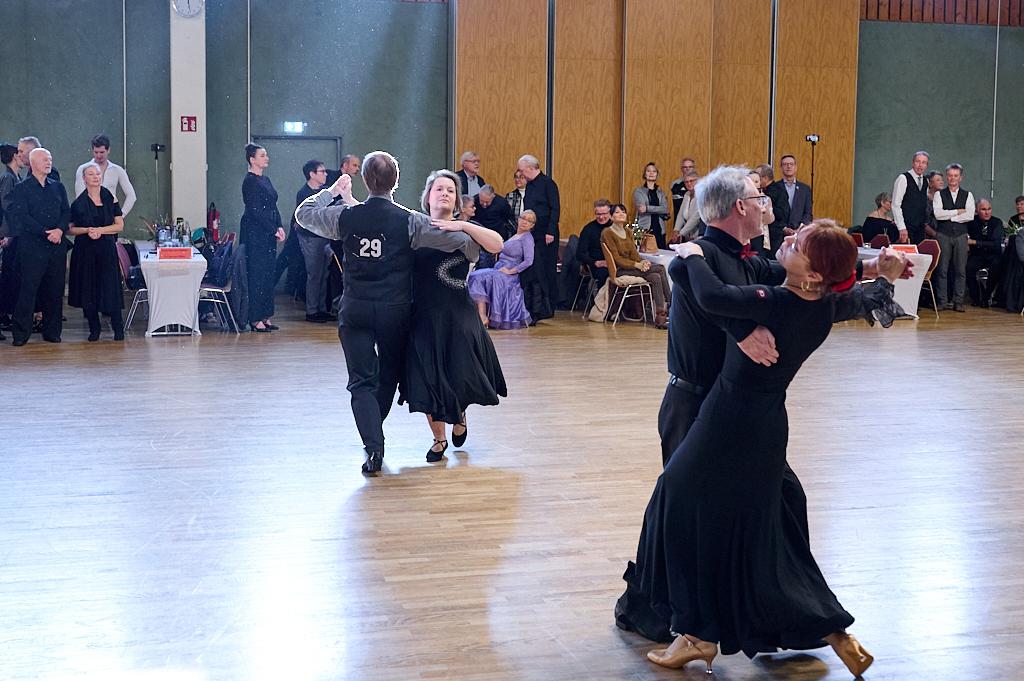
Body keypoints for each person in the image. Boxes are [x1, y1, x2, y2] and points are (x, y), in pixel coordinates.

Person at [621, 219, 905, 678]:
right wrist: (882, 271)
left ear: (812, 275)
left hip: (727, 422)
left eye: (798, 244)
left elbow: (712, 297)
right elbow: (858, 295)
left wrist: (691, 255)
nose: (787, 240)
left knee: (674, 503)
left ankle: (697, 636)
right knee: (763, 528)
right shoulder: (819, 305)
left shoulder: (775, 303)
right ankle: (833, 630)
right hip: (768, 425)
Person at [295, 151, 500, 475]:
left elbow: (304, 214)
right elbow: (457, 241)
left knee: (361, 382)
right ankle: (385, 438)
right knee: (387, 375)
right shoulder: (410, 220)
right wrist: (463, 229)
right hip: (394, 312)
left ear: (365, 180)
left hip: (356, 310)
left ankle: (374, 448)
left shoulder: (346, 217)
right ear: (397, 182)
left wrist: (332, 192)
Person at [398, 169, 506, 462]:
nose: (444, 193)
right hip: (422, 315)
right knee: (428, 377)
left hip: (458, 316)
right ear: (428, 196)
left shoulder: (466, 233)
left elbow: (497, 244)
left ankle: (459, 416)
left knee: (457, 375)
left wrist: (462, 224)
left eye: (450, 190)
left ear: (457, 199)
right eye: (439, 189)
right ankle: (439, 439)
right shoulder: (415, 226)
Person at [7, 147, 69, 345]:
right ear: (33, 164)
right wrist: (45, 232)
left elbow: (65, 212)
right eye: (44, 160)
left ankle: (52, 332)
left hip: (56, 246)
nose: (48, 163)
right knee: (28, 290)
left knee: (54, 290)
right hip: (32, 247)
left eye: (50, 159)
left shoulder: (57, 187)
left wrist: (59, 230)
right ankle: (20, 334)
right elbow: (22, 217)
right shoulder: (22, 188)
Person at [67, 164, 125, 341]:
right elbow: (70, 229)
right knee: (88, 288)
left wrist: (100, 230)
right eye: (91, 174)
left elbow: (119, 226)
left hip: (106, 247)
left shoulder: (110, 197)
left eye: (98, 174)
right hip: (86, 250)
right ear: (84, 179)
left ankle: (118, 328)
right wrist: (87, 230)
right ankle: (94, 329)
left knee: (110, 287)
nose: (95, 177)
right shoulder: (78, 203)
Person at [600, 203, 671, 329]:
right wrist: (637, 265)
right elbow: (616, 259)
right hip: (620, 270)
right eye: (617, 212)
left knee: (655, 276)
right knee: (660, 268)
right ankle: (671, 305)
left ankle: (660, 316)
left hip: (633, 267)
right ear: (611, 217)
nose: (621, 214)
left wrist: (642, 262)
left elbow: (634, 253)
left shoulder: (627, 231)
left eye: (623, 212)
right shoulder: (607, 233)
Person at [241, 143, 286, 332]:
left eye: (266, 155)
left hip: (267, 232)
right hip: (256, 234)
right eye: (262, 155)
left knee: (268, 272)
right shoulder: (250, 181)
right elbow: (255, 210)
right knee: (257, 274)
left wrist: (280, 226)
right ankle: (254, 317)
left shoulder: (265, 180)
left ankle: (265, 315)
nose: (266, 158)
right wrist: (271, 229)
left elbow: (273, 205)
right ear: (252, 159)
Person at [467, 211, 536, 330]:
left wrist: (512, 271)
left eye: (529, 220)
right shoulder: (515, 235)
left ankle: (483, 316)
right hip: (499, 269)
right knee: (474, 275)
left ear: (532, 225)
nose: (525, 221)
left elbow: (529, 261)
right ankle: (481, 315)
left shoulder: (527, 238)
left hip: (509, 275)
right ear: (518, 219)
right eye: (523, 218)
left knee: (478, 277)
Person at [518, 154, 560, 320]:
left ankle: (549, 307)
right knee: (536, 270)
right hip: (532, 233)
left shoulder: (548, 184)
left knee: (547, 270)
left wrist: (550, 231)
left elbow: (555, 208)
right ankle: (537, 305)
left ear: (530, 167)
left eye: (522, 170)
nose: (521, 174)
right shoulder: (530, 185)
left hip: (546, 234)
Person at [932, 162, 975, 312]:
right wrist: (957, 212)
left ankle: (958, 301)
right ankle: (942, 301)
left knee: (960, 270)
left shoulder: (968, 195)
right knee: (942, 269)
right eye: (950, 175)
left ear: (960, 178)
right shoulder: (939, 194)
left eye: (955, 176)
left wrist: (949, 215)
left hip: (961, 235)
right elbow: (938, 214)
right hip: (943, 235)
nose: (952, 178)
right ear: (947, 176)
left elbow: (969, 216)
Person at [295, 159, 333, 323]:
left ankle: (321, 309)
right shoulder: (304, 193)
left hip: (324, 237)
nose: (325, 174)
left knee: (324, 275)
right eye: (322, 171)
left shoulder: (324, 191)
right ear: (312, 174)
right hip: (310, 238)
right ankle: (311, 311)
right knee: (314, 274)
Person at [73, 134, 137, 215]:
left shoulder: (118, 170)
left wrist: (121, 215)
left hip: (110, 214)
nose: (99, 155)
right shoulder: (83, 169)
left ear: (108, 150)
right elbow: (79, 196)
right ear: (92, 150)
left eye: (102, 152)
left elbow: (131, 196)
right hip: (89, 214)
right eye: (96, 152)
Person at [765, 154, 812, 255]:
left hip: (798, 235)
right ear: (781, 168)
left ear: (796, 167)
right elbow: (769, 212)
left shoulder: (805, 189)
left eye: (791, 164)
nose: (788, 167)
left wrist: (800, 228)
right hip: (778, 236)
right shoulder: (774, 187)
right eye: (785, 164)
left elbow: (808, 212)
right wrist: (783, 228)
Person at [0, 142, 24, 335]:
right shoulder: (8, 178)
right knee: (8, 275)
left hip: (15, 232)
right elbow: (7, 205)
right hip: (11, 233)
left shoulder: (15, 176)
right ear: (15, 156)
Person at [965, 198, 1003, 307]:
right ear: (977, 210)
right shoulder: (972, 222)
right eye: (983, 209)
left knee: (996, 267)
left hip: (993, 255)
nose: (987, 212)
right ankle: (976, 298)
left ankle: (986, 297)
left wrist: (975, 242)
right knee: (968, 268)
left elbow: (995, 244)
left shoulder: (997, 222)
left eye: (989, 209)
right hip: (977, 255)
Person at [891, 151, 930, 244]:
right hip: (906, 226)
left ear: (926, 165)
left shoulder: (926, 181)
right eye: (918, 161)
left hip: (920, 227)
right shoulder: (903, 178)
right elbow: (896, 204)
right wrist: (901, 227)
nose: (920, 165)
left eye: (924, 162)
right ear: (913, 163)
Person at [633, 162, 671, 250]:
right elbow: (641, 210)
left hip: (659, 228)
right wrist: (658, 209)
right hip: (644, 229)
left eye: (654, 171)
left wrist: (647, 208)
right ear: (644, 174)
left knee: (661, 254)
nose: (651, 173)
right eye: (648, 171)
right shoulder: (639, 191)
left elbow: (665, 209)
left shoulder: (661, 192)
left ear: (657, 174)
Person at [576, 199, 612, 289]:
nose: (601, 217)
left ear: (610, 213)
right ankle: (603, 302)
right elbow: (580, 254)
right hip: (597, 264)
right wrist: (595, 263)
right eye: (598, 214)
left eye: (604, 214)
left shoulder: (615, 226)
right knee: (606, 274)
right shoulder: (589, 229)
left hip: (616, 263)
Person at [747, 168, 774, 254]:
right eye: (751, 181)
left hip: (760, 234)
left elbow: (770, 220)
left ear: (760, 183)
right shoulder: (741, 198)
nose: (754, 184)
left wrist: (763, 210)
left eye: (756, 181)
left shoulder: (765, 199)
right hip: (745, 234)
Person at [671, 172, 702, 243]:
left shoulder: (702, 196)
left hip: (699, 236)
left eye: (691, 181)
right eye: (686, 182)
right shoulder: (687, 194)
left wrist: (681, 233)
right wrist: (676, 230)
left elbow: (695, 218)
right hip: (688, 236)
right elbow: (681, 214)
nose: (689, 183)